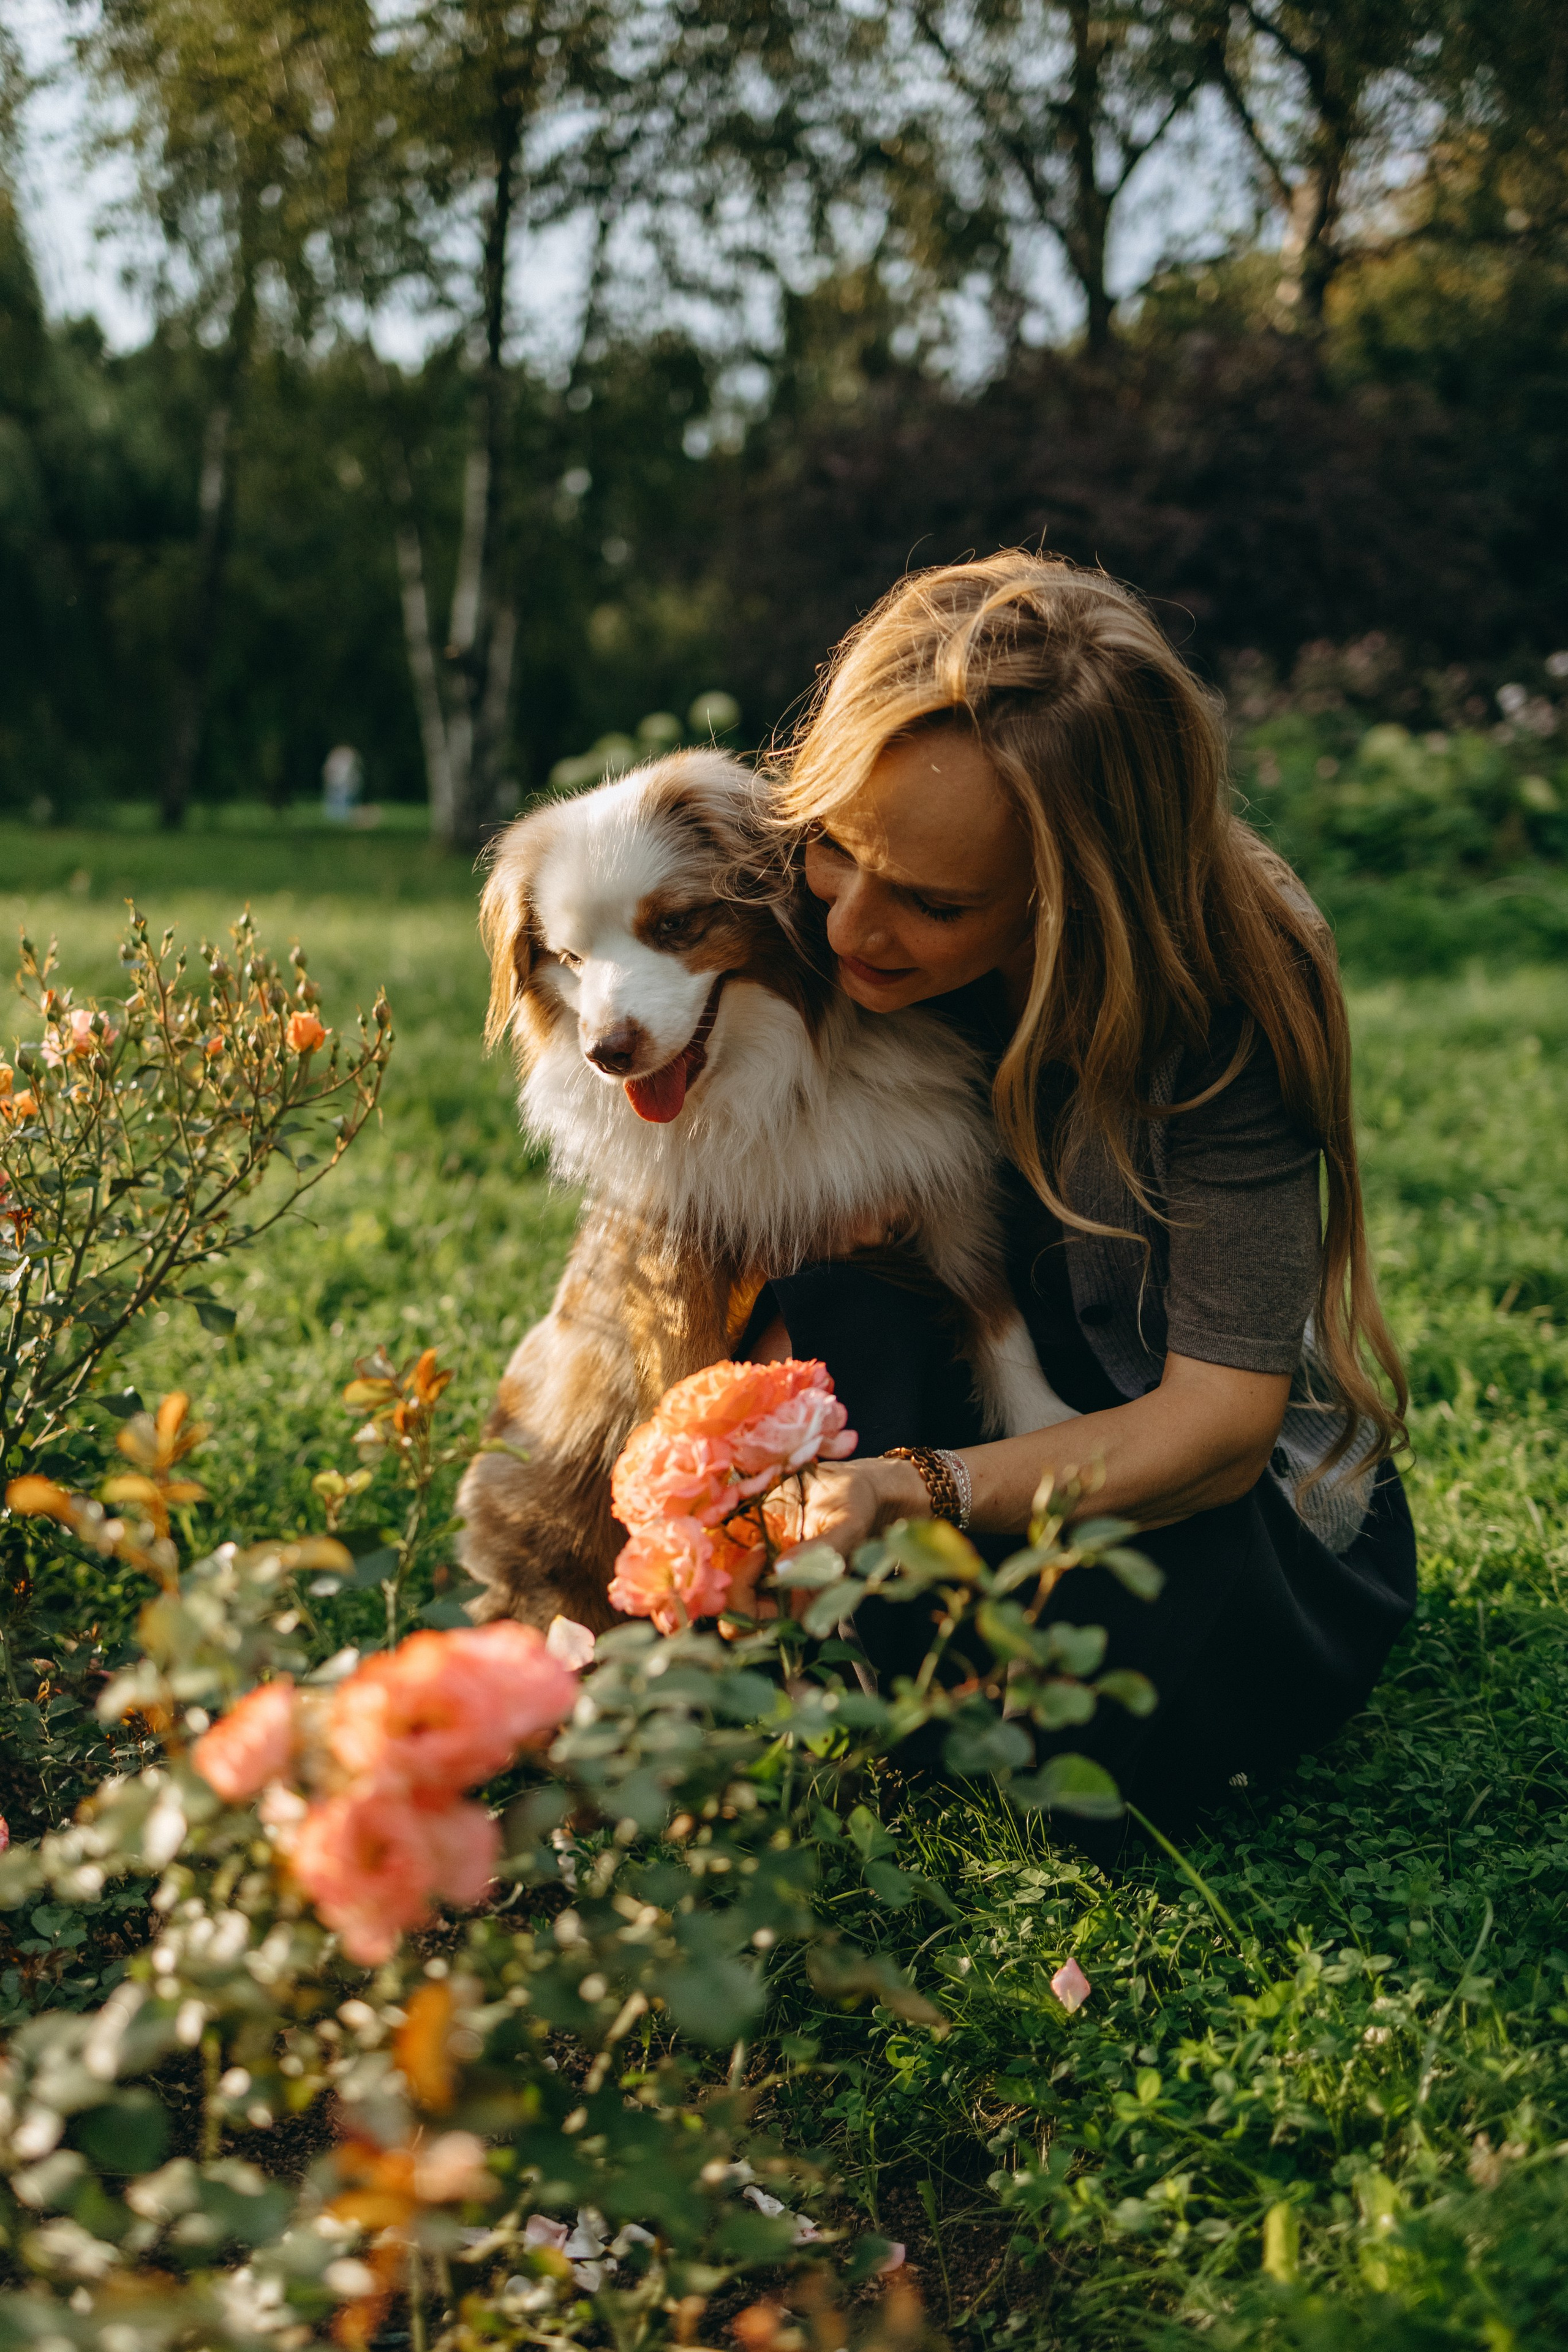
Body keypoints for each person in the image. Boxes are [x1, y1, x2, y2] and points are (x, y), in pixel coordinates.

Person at [741, 552, 1416, 1859]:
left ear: (1071, 891)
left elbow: (1217, 1423)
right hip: (946, 1367)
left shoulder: (1224, 980)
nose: (848, 930)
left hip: (1177, 1458)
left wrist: (916, 1488)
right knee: (823, 1332)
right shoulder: (792, 901)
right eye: (834, 849)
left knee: (1102, 1711)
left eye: (934, 906)